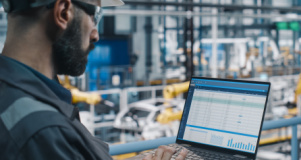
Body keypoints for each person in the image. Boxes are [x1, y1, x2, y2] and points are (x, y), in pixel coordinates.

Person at [0, 0, 187, 159]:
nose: (96, 35)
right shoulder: (43, 131)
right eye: (94, 16)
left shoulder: (23, 97)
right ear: (63, 12)